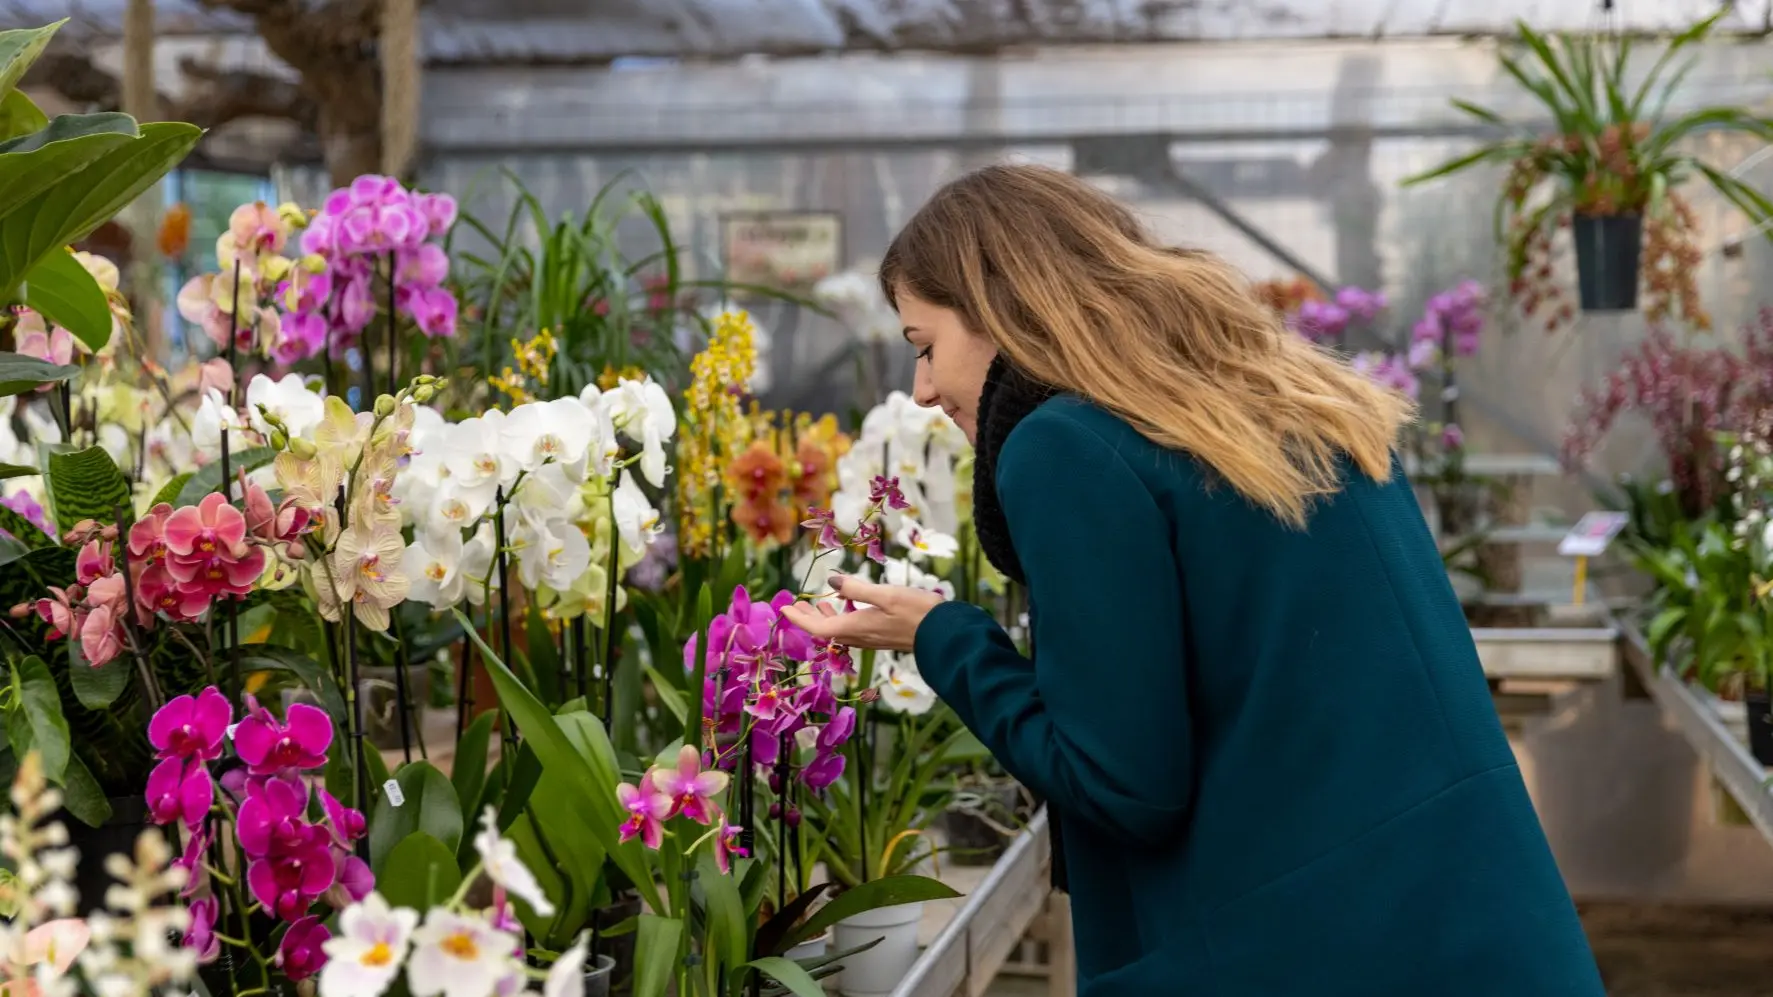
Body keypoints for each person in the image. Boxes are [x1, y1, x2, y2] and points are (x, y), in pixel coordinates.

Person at [779, 164, 1606, 996]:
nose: (920, 390)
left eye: (925, 347)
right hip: (1474, 922)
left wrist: (943, 637)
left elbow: (1123, 782)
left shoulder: (1065, 446)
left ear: (999, 304)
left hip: (1303, 949)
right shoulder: (1292, 401)